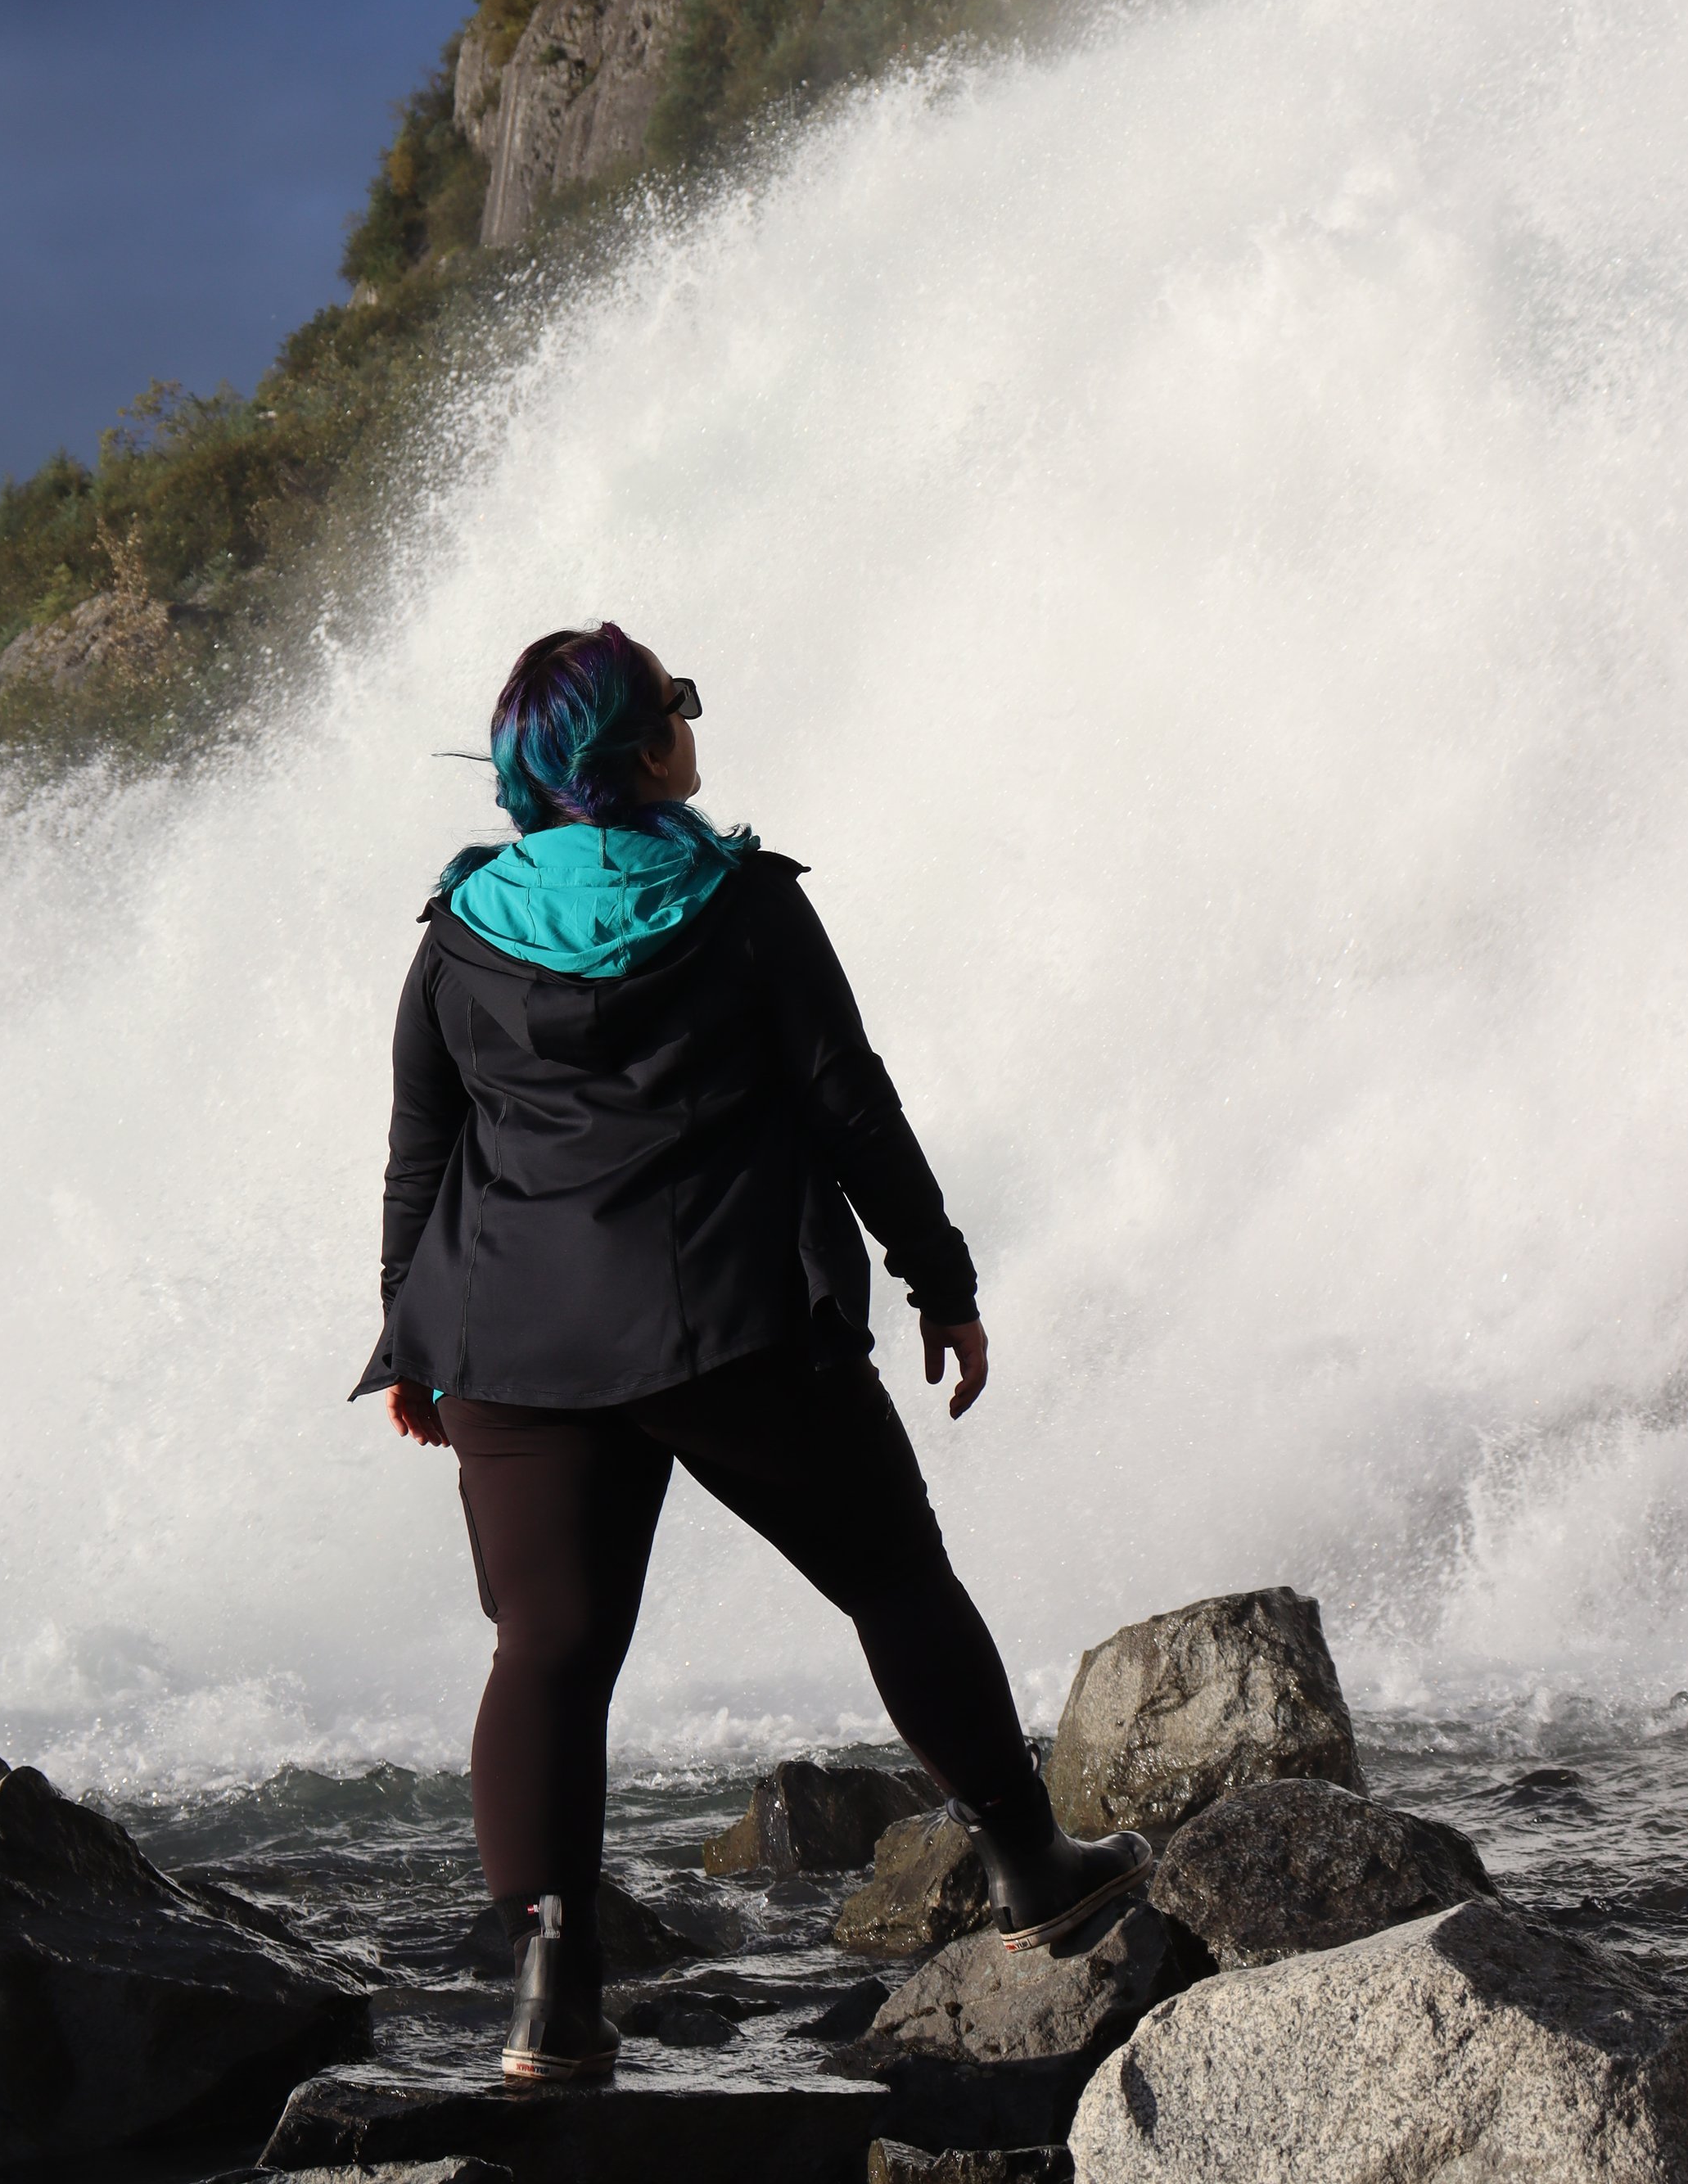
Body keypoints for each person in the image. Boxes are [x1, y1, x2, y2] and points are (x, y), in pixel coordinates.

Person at [360, 621, 1149, 2081]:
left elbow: (425, 1146)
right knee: (894, 1576)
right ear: (644, 750)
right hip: (731, 1325)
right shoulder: (743, 905)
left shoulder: (459, 935)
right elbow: (852, 1109)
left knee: (545, 1652)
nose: (692, 719)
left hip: (516, 1348)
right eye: (679, 703)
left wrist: (410, 1330)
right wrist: (942, 1279)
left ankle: (551, 1995)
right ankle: (1038, 1866)